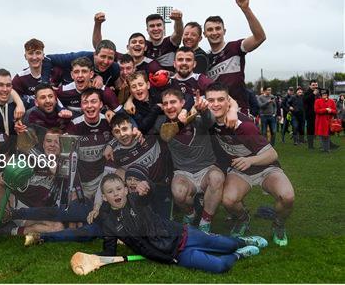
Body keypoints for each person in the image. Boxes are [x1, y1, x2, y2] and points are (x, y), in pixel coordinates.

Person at [97, 173, 268, 274]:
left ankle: (243, 241)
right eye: (110, 192)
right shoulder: (109, 223)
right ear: (104, 197)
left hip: (185, 235)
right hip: (175, 256)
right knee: (220, 266)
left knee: (229, 244)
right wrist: (95, 259)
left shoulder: (136, 200)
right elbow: (109, 250)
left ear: (126, 190)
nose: (116, 194)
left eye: (119, 189)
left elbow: (149, 194)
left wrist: (146, 185)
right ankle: (240, 254)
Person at [205, 83, 295, 246]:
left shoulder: (244, 126)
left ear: (228, 102)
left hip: (265, 168)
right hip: (240, 171)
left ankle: (279, 225)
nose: (216, 104)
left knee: (287, 197)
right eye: (211, 100)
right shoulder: (209, 122)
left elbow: (272, 154)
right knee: (229, 200)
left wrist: (250, 160)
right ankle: (242, 219)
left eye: (220, 100)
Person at [154, 89, 224, 233]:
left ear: (183, 103)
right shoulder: (162, 123)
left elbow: (209, 121)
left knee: (217, 177)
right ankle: (190, 214)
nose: (169, 106)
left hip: (206, 169)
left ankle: (205, 222)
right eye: (165, 103)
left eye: (173, 102)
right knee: (178, 193)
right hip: (183, 173)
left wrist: (203, 111)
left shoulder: (198, 120)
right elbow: (166, 134)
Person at [204, 0, 266, 113]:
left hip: (239, 112)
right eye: (210, 29)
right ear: (204, 34)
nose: (214, 32)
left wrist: (246, 9)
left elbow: (260, 37)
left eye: (218, 28)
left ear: (224, 31)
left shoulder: (235, 47)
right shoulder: (203, 59)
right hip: (214, 114)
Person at [55, 57, 121, 120]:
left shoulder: (105, 92)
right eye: (76, 72)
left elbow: (122, 115)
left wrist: (110, 112)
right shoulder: (63, 91)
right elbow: (51, 100)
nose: (80, 75)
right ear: (72, 75)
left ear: (91, 74)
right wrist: (61, 109)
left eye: (84, 71)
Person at [41, 40, 120, 88]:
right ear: (95, 54)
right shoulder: (79, 57)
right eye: (103, 56)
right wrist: (45, 84)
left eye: (110, 58)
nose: (106, 62)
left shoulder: (115, 68)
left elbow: (117, 87)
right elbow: (48, 58)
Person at [303, 80, 320, 149]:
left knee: (320, 129)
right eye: (313, 85)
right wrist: (313, 94)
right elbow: (305, 100)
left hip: (319, 113)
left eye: (316, 85)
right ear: (310, 86)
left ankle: (325, 145)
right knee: (310, 130)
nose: (315, 86)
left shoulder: (319, 93)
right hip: (310, 114)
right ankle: (310, 145)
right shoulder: (307, 92)